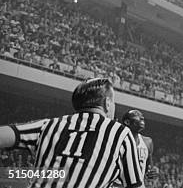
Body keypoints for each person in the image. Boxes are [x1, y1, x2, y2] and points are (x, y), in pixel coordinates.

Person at [0, 77, 143, 187]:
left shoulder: (49, 124)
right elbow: (135, 185)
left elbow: (5, 133)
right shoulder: (120, 133)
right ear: (107, 103)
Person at [121, 109, 159, 180]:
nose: (142, 118)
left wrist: (153, 172)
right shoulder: (119, 140)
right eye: (136, 115)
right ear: (127, 122)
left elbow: (149, 169)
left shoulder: (148, 142)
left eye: (142, 116)